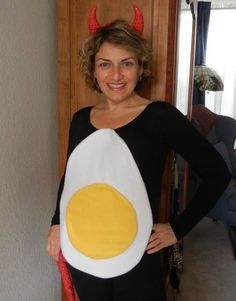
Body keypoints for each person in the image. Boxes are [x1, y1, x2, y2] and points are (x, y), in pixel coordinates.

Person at [46, 9, 230, 301]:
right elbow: (73, 177)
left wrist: (177, 228)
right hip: (82, 249)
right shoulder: (81, 119)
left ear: (140, 67)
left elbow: (217, 173)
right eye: (105, 64)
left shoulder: (160, 116)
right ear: (93, 70)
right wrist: (56, 222)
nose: (116, 75)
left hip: (137, 252)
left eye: (126, 63)